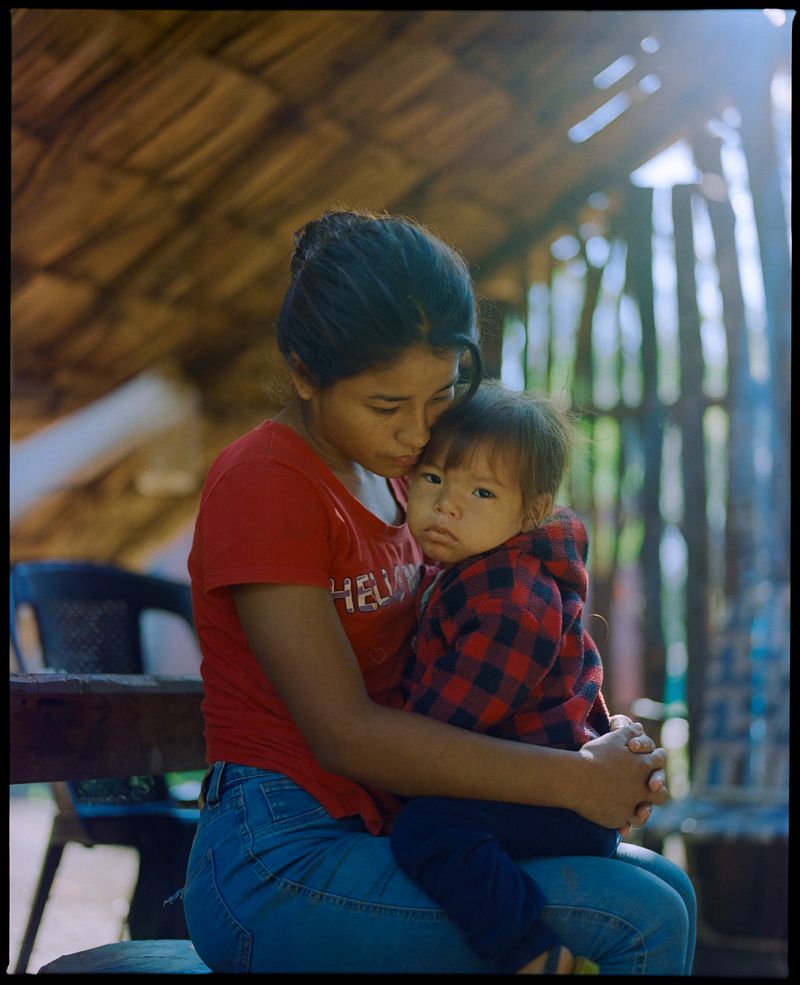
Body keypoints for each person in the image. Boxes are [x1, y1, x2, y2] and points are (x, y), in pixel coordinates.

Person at [180, 209, 696, 974]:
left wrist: (588, 736)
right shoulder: (268, 484)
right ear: (303, 372)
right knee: (639, 915)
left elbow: (498, 626)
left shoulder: (407, 484)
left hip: (384, 822)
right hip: (278, 855)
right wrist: (578, 779)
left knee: (664, 883)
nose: (420, 433)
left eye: (442, 396)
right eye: (388, 406)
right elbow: (345, 734)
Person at [391, 381, 624, 974]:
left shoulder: (510, 597)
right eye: (433, 479)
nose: (447, 505)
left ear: (533, 511)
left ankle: (533, 952)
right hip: (528, 785)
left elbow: (446, 723)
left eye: (482, 491)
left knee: (427, 828)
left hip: (558, 799)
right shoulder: (469, 565)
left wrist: (378, 747)